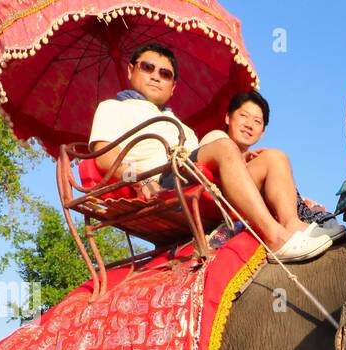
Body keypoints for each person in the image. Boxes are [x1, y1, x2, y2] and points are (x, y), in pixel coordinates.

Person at [88, 43, 331, 262]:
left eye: (164, 74)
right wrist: (139, 179)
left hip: (200, 180)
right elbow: (105, 156)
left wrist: (236, 159)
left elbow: (202, 157)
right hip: (163, 178)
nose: (155, 77)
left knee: (274, 157)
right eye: (148, 68)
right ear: (131, 70)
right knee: (224, 144)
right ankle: (275, 237)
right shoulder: (113, 108)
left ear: (173, 87)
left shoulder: (181, 126)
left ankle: (293, 225)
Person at [221, 89, 346, 242]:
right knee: (275, 157)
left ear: (262, 133)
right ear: (228, 117)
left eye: (257, 121)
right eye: (243, 116)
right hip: (223, 196)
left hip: (247, 193)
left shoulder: (256, 159)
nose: (249, 125)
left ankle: (297, 219)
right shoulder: (216, 140)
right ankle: (291, 224)